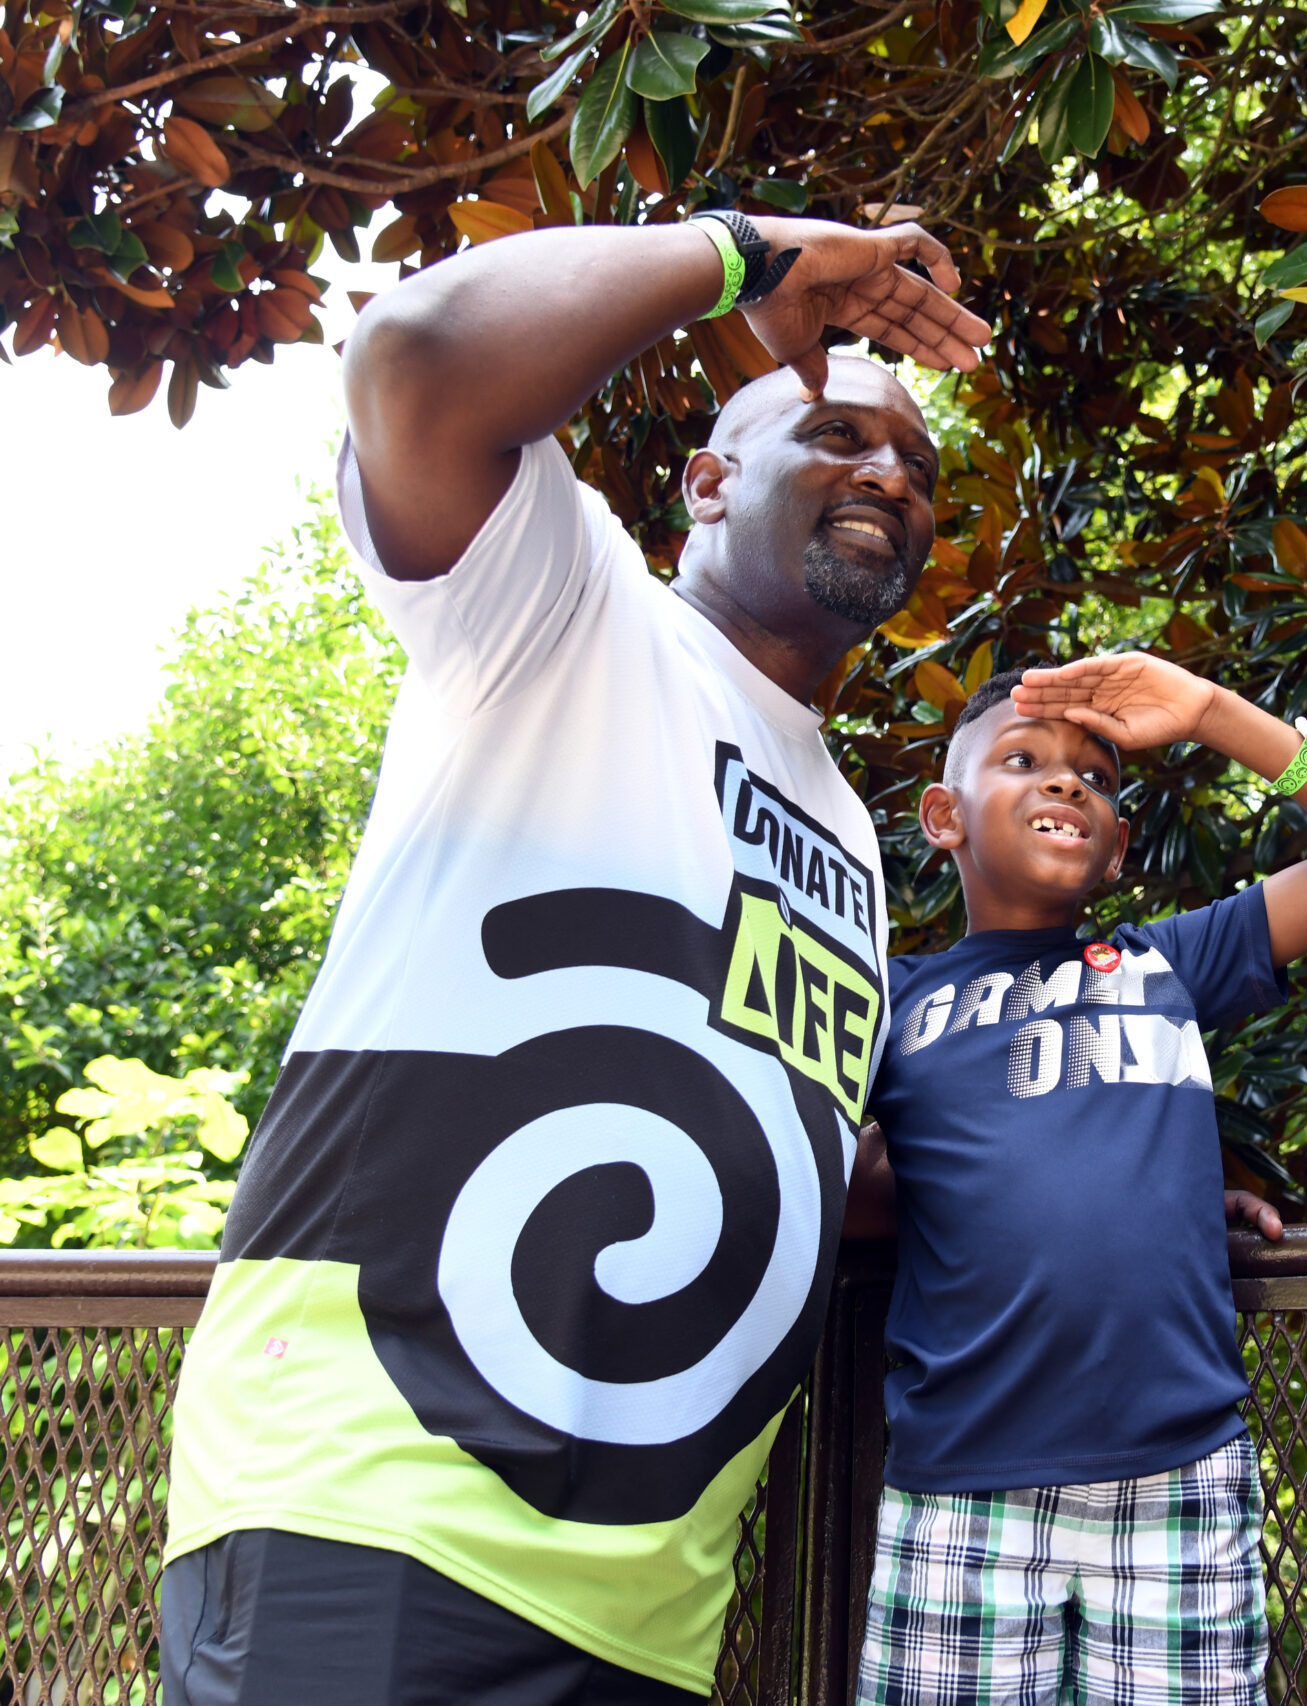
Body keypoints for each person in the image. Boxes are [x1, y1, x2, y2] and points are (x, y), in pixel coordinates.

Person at [158, 211, 990, 1703]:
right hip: (379, 1511)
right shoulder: (568, 604)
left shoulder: (854, 839)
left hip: (648, 1611)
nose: (888, 475)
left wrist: (1122, 1157)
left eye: (919, 468)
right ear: (706, 481)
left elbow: (809, 1151)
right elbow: (415, 360)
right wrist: (747, 253)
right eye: (837, 433)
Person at [848, 655, 1307, 1705]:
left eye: (1097, 779)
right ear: (943, 817)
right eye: (1022, 759)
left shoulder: (1163, 965)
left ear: (1114, 852)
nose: (1068, 783)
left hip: (1177, 1474)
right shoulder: (890, 1000)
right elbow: (829, 1175)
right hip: (961, 1481)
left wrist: (1208, 712)